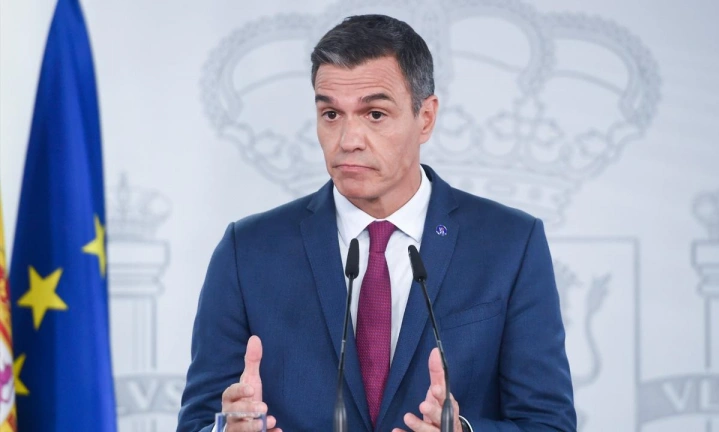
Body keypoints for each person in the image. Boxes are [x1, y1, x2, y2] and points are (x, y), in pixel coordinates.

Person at [177, 14, 576, 432]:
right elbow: (198, 422)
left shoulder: (511, 244)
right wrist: (225, 429)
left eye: (375, 114)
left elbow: (549, 424)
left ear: (425, 117)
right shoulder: (247, 251)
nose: (348, 140)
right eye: (332, 114)